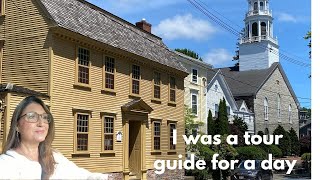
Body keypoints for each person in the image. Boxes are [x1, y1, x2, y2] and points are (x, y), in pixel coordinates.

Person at [0, 96, 109, 179]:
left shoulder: (55, 158)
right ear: (17, 125)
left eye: (44, 117)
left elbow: (84, 176)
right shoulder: (6, 165)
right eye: (32, 116)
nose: (41, 123)